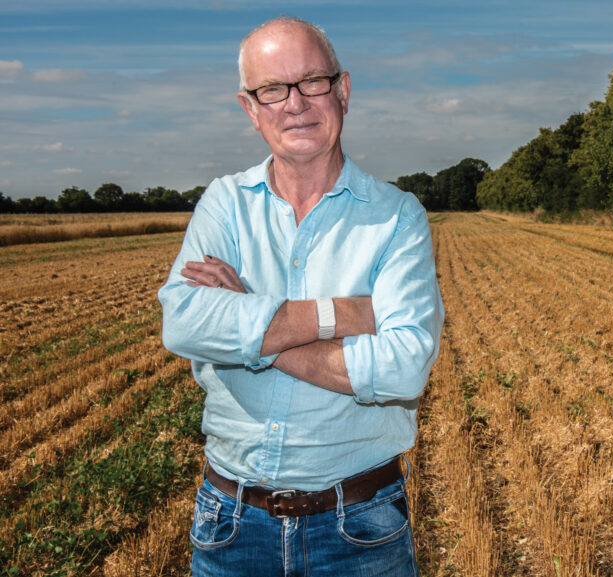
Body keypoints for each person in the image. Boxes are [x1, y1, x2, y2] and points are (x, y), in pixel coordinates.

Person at [158, 16, 443, 577]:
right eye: (273, 89)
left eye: (312, 81)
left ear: (342, 90)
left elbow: (404, 368)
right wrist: (345, 314)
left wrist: (250, 326)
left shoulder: (396, 216)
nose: (295, 103)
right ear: (250, 108)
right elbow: (186, 323)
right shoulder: (223, 203)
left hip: (360, 526)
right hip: (231, 526)